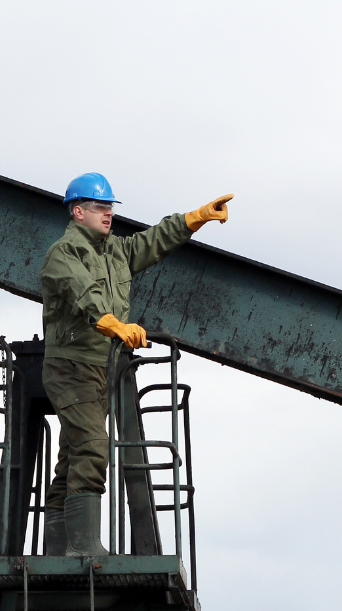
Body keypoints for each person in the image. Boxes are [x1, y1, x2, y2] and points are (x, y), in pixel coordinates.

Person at [39, 173, 232, 556]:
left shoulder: (115, 252)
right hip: (71, 367)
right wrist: (114, 324)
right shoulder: (63, 254)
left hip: (100, 371)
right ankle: (83, 547)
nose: (107, 213)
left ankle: (57, 543)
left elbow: (153, 242)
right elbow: (85, 293)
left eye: (110, 207)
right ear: (78, 211)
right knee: (93, 447)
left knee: (74, 455)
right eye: (99, 207)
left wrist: (195, 217)